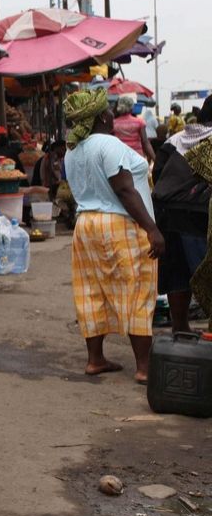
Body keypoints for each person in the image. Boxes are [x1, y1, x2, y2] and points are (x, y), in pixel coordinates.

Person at [63, 87, 163, 385]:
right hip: (120, 224)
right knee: (137, 290)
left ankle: (95, 359)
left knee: (91, 288)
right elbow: (124, 189)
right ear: (100, 117)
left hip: (86, 225)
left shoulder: (73, 150)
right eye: (106, 111)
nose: (110, 114)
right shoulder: (109, 144)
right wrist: (152, 229)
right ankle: (144, 367)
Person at [152, 97, 212, 333]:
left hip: (166, 213)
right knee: (205, 273)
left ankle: (180, 328)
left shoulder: (176, 139)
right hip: (199, 216)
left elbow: (157, 174)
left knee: (177, 274)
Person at [112, 96, 155, 163]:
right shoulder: (139, 122)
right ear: (132, 108)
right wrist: (154, 159)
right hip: (137, 157)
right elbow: (145, 142)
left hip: (120, 157)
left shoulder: (114, 123)